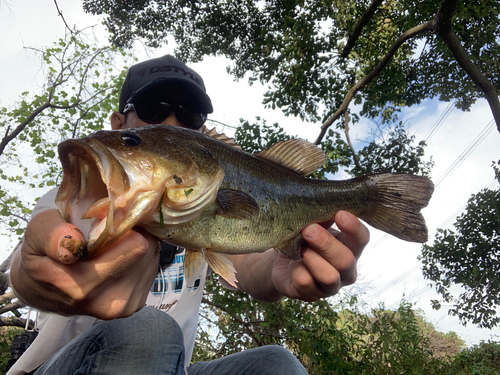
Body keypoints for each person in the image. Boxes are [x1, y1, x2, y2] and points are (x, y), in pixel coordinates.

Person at [8, 55, 370, 375]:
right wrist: (35, 274)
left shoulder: (201, 205)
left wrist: (282, 270)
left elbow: (250, 267)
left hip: (173, 367)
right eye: (152, 111)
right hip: (63, 365)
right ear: (119, 125)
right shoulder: (77, 201)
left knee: (276, 365)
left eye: (190, 115)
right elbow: (30, 264)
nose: (173, 122)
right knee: (148, 329)